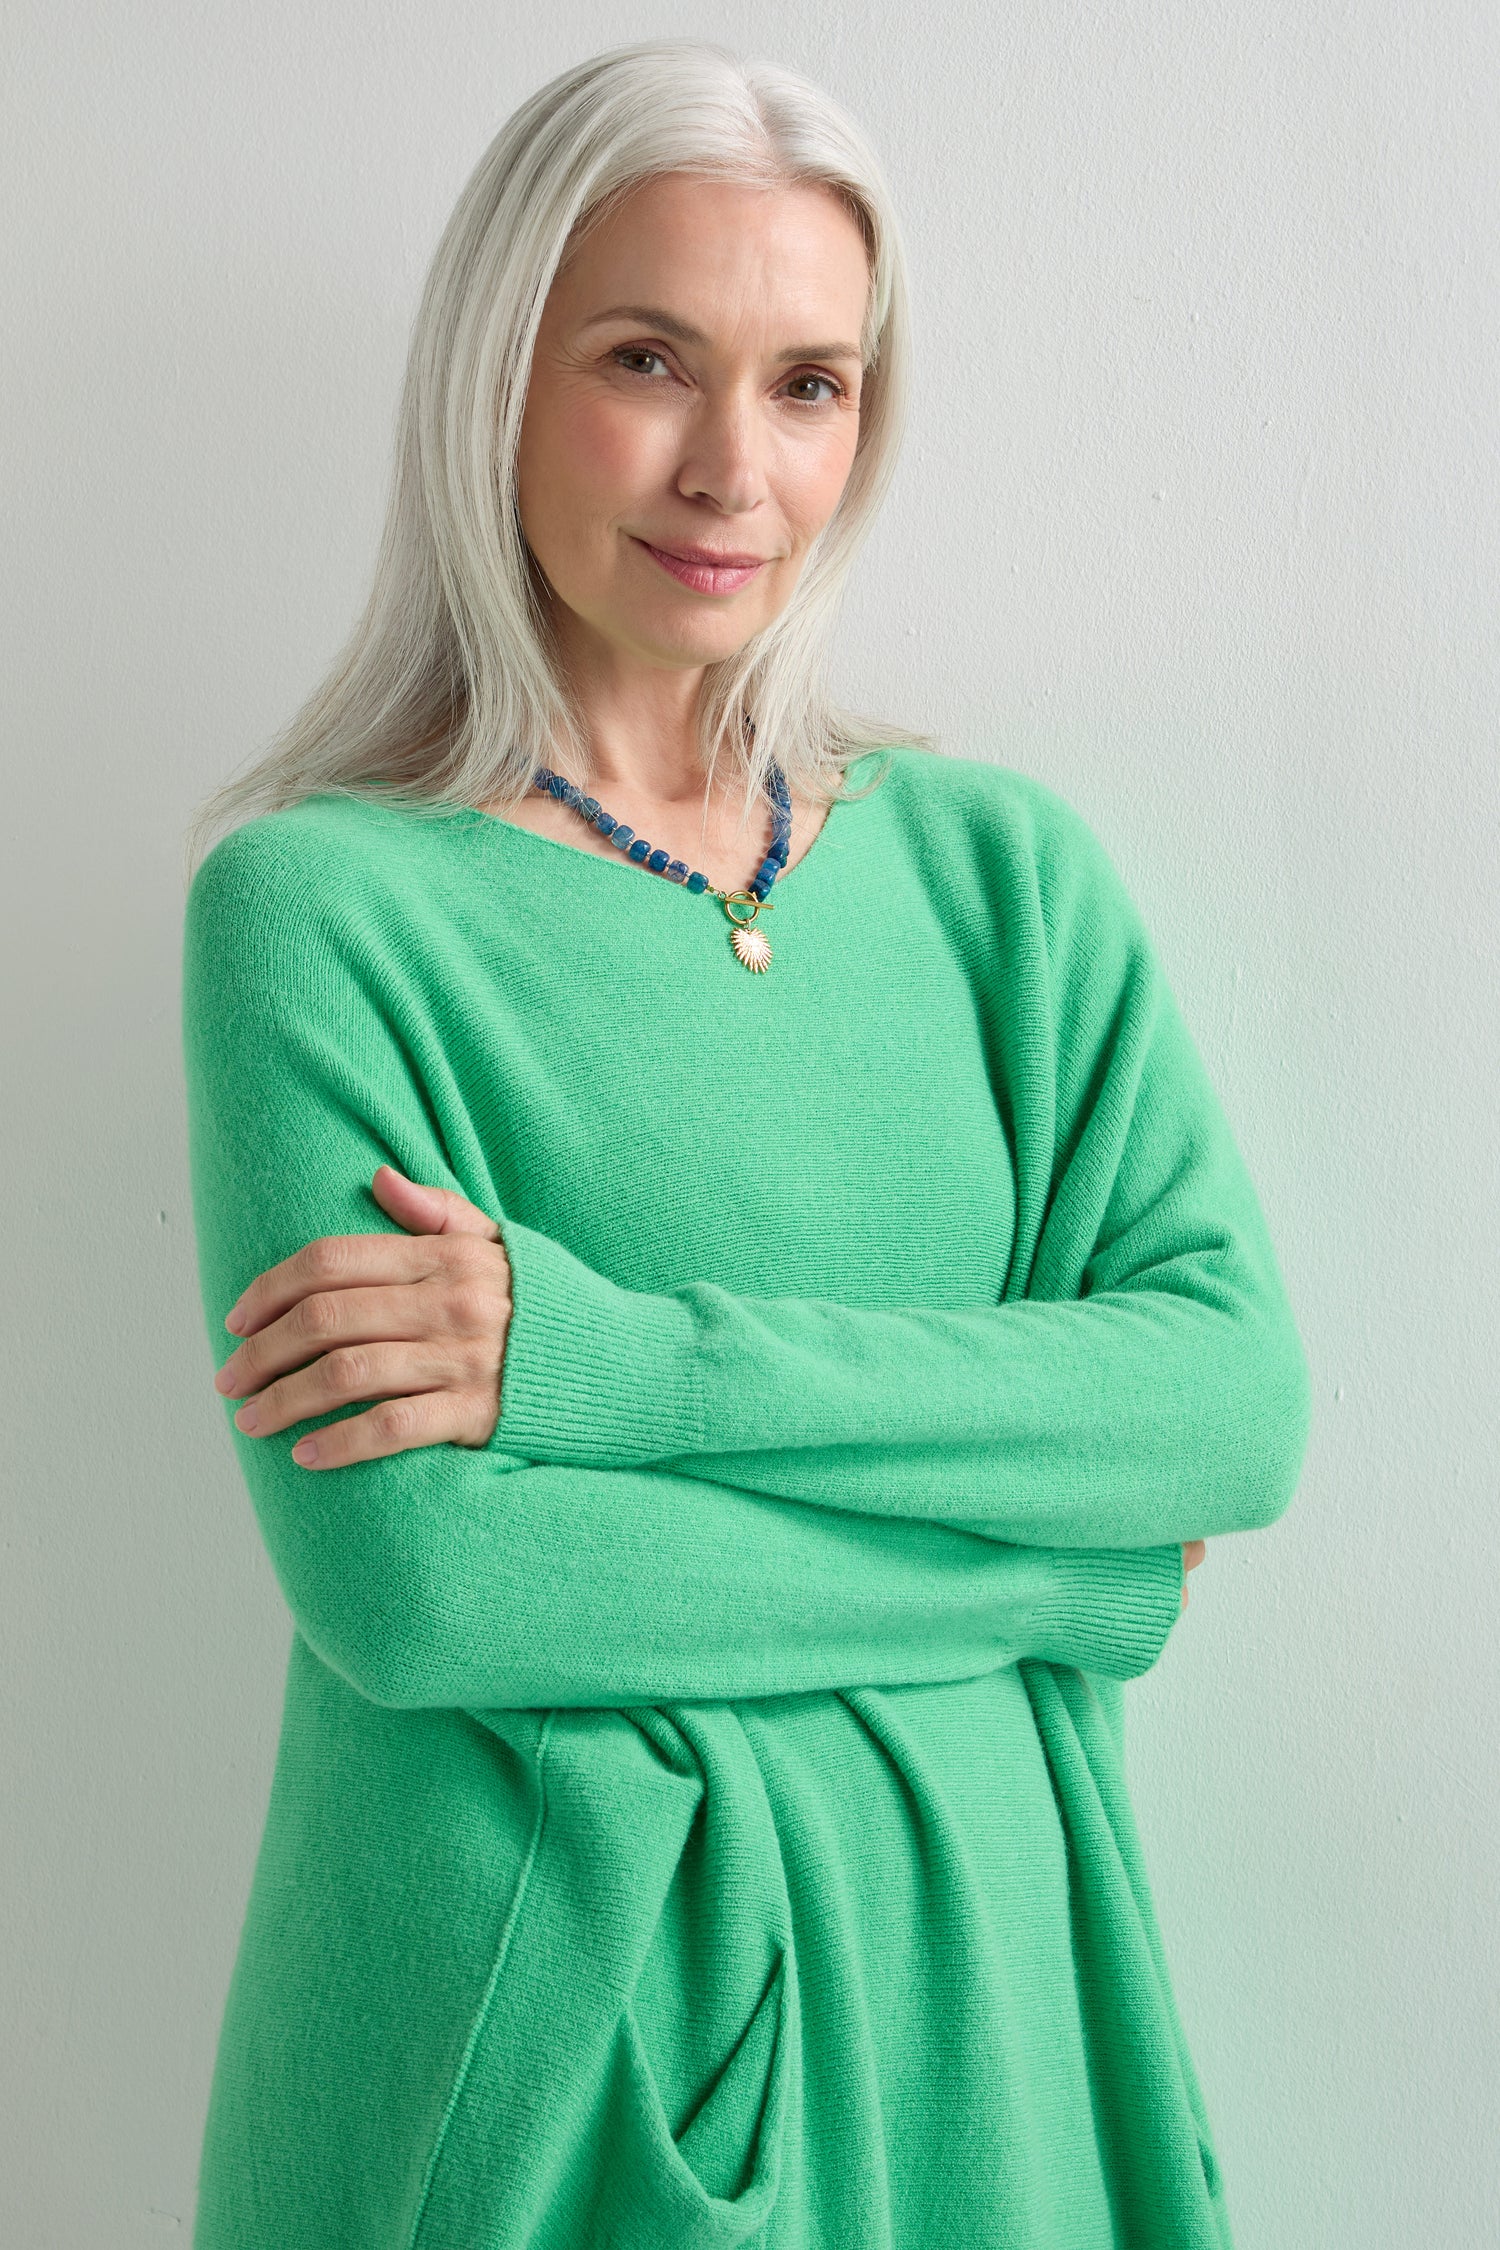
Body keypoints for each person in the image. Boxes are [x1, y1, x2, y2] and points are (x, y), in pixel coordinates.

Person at [180, 39, 1310, 2250]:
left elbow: (1228, 1406)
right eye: (647, 360)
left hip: (998, 2002)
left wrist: (617, 1373)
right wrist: (1060, 1582)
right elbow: (427, 1590)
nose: (732, 468)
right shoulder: (320, 910)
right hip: (566, 2040)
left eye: (810, 383)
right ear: (495, 375)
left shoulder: (1004, 880)